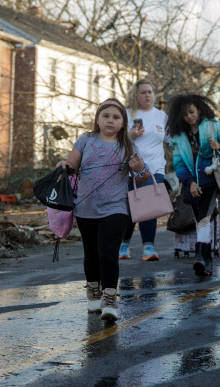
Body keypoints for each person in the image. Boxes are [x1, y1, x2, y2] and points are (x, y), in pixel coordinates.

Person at [56, 98, 149, 321]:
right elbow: (72, 165)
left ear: (123, 123)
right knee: (92, 253)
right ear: (97, 119)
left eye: (116, 117)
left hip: (116, 207)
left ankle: (109, 299)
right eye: (106, 116)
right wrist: (63, 166)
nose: (110, 121)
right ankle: (93, 292)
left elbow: (143, 176)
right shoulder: (86, 140)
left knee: (108, 253)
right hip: (85, 207)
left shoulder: (127, 145)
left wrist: (139, 168)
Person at [166, 94, 220, 276]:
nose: (189, 116)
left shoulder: (212, 126)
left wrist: (219, 145)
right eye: (185, 114)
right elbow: (179, 165)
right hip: (192, 185)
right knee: (200, 220)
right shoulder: (179, 137)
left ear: (198, 110)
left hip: (211, 182)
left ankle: (199, 256)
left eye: (191, 112)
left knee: (204, 218)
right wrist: (190, 183)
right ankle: (207, 262)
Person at [118, 79, 168, 262]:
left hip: (155, 167)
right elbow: (115, 139)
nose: (148, 95)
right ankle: (124, 244)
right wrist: (130, 136)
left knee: (149, 204)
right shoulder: (126, 114)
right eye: (143, 92)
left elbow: (171, 138)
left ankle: (148, 246)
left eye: (150, 92)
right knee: (132, 206)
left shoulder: (161, 116)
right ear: (135, 95)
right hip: (131, 166)